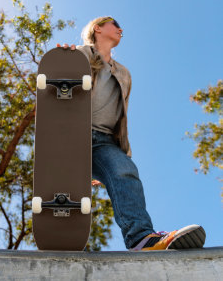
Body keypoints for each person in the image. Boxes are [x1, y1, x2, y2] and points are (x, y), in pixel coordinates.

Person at [56, 16, 206, 251]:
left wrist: (112, 161)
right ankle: (59, 226)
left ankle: (141, 239)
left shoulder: (124, 74)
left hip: (104, 141)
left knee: (125, 171)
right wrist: (62, 60)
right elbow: (55, 85)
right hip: (74, 132)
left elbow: (120, 117)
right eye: (114, 25)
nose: (120, 29)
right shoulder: (79, 55)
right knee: (68, 186)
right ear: (98, 28)